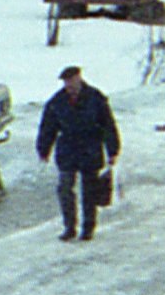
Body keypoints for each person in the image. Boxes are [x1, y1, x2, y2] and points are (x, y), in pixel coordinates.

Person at [36, 64, 122, 241]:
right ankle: (69, 227)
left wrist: (112, 150)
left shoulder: (95, 98)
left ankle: (88, 227)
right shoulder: (57, 101)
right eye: (66, 82)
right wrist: (44, 149)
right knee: (65, 188)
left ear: (79, 78)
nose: (69, 85)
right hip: (68, 149)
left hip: (90, 148)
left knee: (89, 191)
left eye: (71, 81)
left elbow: (108, 125)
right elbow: (48, 127)